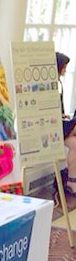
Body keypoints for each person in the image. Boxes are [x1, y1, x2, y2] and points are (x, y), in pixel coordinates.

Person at [55, 52, 76, 195]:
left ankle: (72, 180)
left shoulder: (58, 84)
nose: (65, 71)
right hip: (51, 129)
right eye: (64, 67)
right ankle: (71, 181)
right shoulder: (52, 86)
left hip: (58, 124)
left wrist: (62, 115)